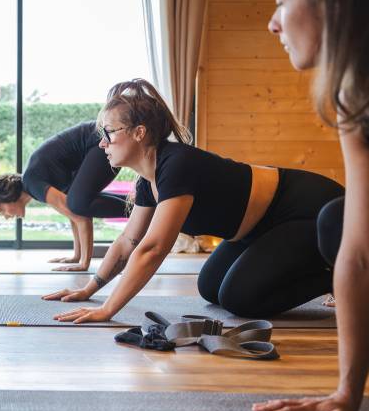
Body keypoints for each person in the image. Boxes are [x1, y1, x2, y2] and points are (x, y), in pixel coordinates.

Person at [44, 78, 344, 323]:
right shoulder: (149, 179)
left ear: (139, 133)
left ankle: (337, 276)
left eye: (108, 132)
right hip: (256, 227)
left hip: (305, 211)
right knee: (210, 287)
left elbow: (153, 249)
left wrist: (108, 309)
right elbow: (128, 241)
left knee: (240, 298)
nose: (102, 143)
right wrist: (90, 288)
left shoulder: (176, 164)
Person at [250, 0, 369, 411]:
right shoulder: (353, 93)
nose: (273, 20)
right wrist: (348, 392)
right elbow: (358, 253)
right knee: (338, 222)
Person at [0, 121, 127, 271]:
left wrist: (83, 263)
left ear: (6, 196)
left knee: (80, 204)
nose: (5, 216)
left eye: (0, 210)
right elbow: (73, 215)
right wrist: (77, 256)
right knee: (77, 203)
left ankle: (142, 208)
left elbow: (81, 217)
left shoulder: (33, 183)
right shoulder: (34, 183)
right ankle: (143, 206)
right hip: (105, 137)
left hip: (103, 140)